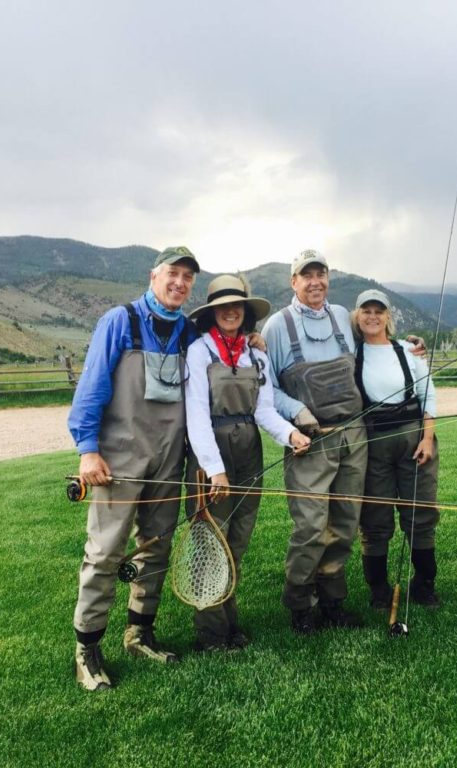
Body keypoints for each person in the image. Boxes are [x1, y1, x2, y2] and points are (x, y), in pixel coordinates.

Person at [67, 245, 201, 691]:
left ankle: (139, 633)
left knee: (156, 548)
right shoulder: (119, 321)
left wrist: (254, 338)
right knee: (105, 552)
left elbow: (223, 357)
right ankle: (87, 649)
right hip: (118, 457)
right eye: (173, 274)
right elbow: (91, 388)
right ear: (153, 275)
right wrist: (88, 450)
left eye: (187, 277)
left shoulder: (190, 332)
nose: (179, 283)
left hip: (168, 457)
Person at [184, 274, 312, 651]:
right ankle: (210, 631)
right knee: (211, 541)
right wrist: (214, 468)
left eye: (236, 305)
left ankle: (229, 621)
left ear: (245, 311)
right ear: (212, 313)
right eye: (222, 306)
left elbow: (265, 410)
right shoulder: (199, 351)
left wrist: (290, 434)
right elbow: (195, 416)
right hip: (211, 453)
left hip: (250, 451)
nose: (230, 311)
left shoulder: (256, 354)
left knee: (237, 540)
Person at [261, 250, 371, 633]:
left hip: (354, 436)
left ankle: (333, 601)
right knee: (310, 526)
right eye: (305, 275)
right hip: (309, 441)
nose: (314, 282)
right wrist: (295, 411)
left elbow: (376, 340)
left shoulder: (343, 316)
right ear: (293, 282)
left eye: (320, 273)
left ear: (328, 277)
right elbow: (266, 388)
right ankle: (300, 604)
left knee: (344, 521)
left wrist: (409, 346)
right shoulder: (277, 326)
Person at [351, 289, 441, 609]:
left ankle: (424, 582)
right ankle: (378, 588)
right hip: (373, 445)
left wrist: (427, 439)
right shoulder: (351, 352)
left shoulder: (408, 350)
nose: (373, 316)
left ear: (389, 316)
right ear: (357, 315)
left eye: (379, 310)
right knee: (374, 518)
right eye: (366, 310)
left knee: (421, 513)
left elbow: (428, 396)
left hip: (415, 440)